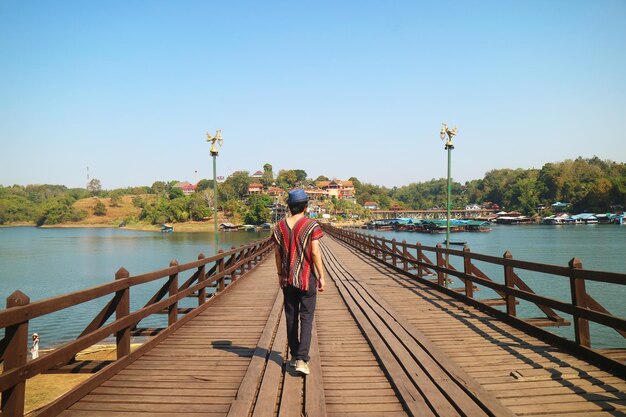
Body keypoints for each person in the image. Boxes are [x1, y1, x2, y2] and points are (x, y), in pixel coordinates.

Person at [273, 188, 326, 376]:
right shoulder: (311, 225)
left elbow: (278, 254)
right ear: (305, 206)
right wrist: (321, 275)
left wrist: (280, 274)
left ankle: (295, 356)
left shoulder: (279, 226)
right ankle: (302, 360)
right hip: (306, 278)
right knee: (306, 317)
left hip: (288, 279)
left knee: (291, 316)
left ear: (289, 207)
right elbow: (314, 252)